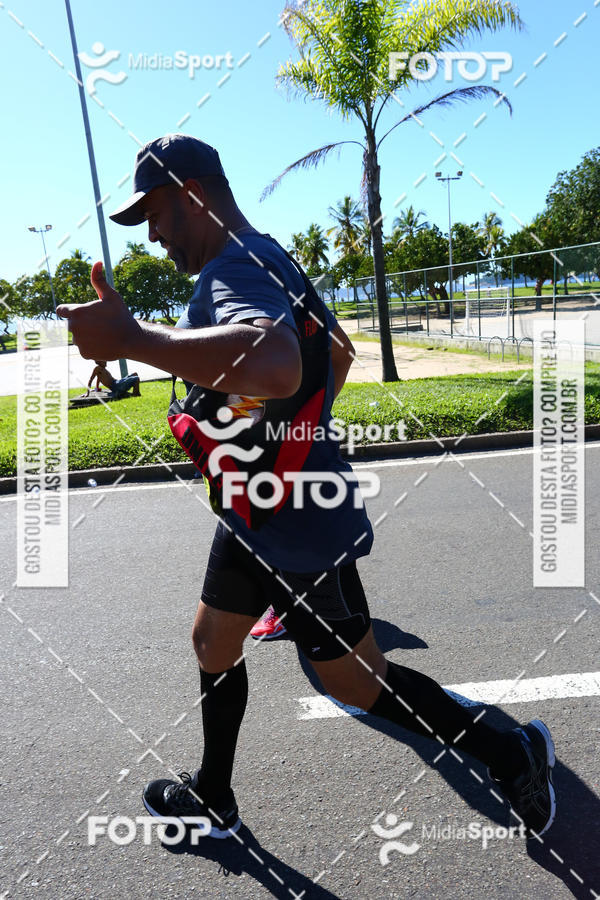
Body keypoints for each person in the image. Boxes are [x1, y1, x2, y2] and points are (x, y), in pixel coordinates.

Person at [57, 134, 556, 842]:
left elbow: (280, 361)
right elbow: (338, 354)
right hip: (255, 514)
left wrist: (135, 339)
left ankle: (512, 752)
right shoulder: (269, 254)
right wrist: (290, 442)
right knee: (211, 642)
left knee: (356, 684)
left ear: (194, 193)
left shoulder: (231, 269)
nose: (156, 236)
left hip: (297, 531)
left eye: (158, 214)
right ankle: (214, 798)